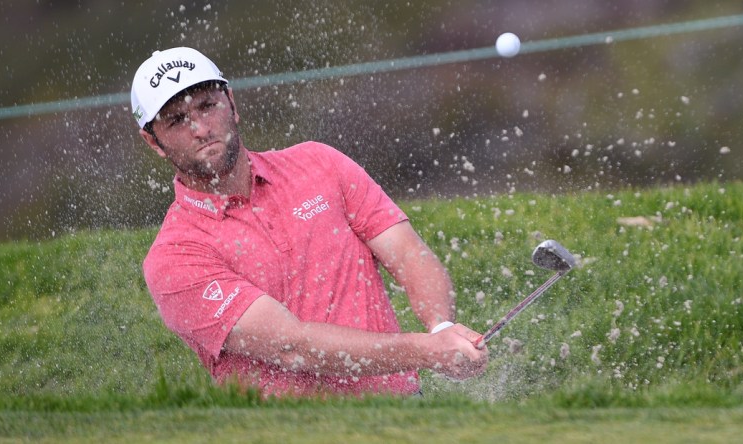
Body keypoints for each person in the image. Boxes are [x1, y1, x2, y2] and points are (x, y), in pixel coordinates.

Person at [130, 47, 488, 397]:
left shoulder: (318, 163)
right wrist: (425, 350)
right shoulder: (174, 257)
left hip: (403, 410)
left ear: (232, 104)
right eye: (177, 120)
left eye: (207, 105)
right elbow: (290, 345)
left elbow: (409, 254)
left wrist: (442, 329)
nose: (200, 128)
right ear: (153, 141)